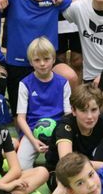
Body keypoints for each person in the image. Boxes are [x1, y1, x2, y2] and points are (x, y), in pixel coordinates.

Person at [44, 84, 103, 188]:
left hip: (88, 170)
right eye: (83, 111)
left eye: (94, 110)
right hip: (61, 175)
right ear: (73, 111)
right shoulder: (65, 126)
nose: (90, 116)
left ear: (99, 109)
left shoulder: (101, 121)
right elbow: (69, 164)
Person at [17, 38, 72, 169]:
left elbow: (68, 114)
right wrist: (33, 140)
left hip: (58, 132)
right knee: (21, 167)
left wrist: (61, 136)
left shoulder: (63, 83)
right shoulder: (25, 84)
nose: (42, 64)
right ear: (30, 62)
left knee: (67, 166)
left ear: (54, 59)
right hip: (32, 132)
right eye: (37, 60)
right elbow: (20, 118)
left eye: (46, 59)